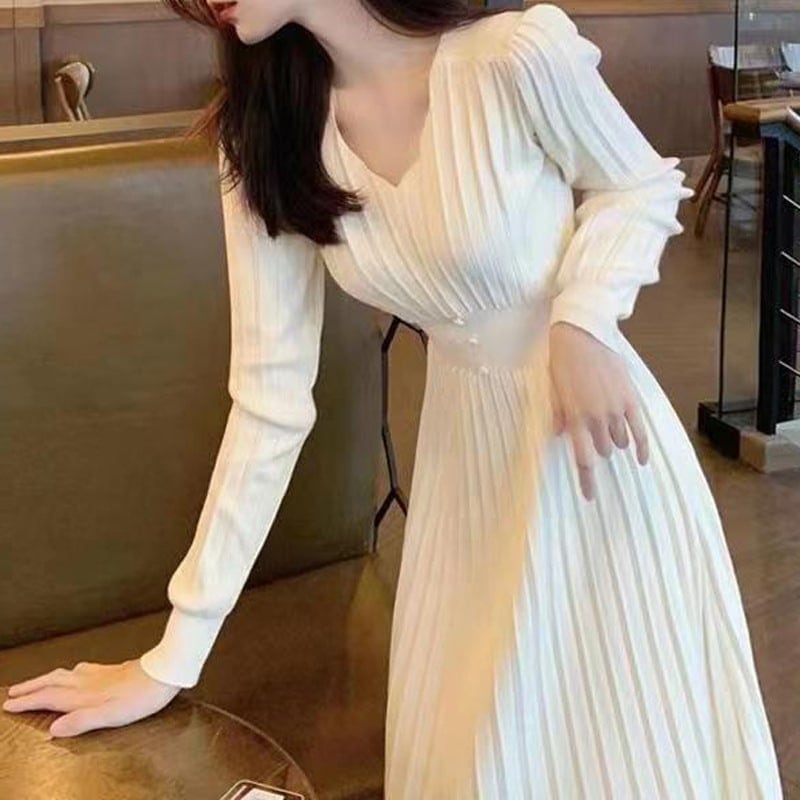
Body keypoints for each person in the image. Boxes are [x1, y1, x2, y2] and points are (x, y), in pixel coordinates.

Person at [2, 1, 784, 797]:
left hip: (593, 453)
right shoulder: (267, 137)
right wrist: (173, 656)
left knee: (631, 745)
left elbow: (636, 182)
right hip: (464, 481)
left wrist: (583, 319)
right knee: (483, 761)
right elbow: (270, 401)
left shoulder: (512, 57)